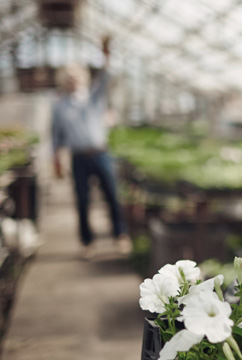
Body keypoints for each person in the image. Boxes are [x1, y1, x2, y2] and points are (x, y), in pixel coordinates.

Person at [51, 36, 132, 260]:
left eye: (75, 76)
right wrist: (56, 159)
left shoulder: (94, 98)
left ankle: (120, 235)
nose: (72, 80)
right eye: (68, 77)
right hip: (79, 158)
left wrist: (105, 56)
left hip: (101, 154)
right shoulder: (59, 106)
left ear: (83, 77)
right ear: (63, 80)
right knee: (82, 201)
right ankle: (87, 242)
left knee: (112, 195)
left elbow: (106, 78)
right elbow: (56, 135)